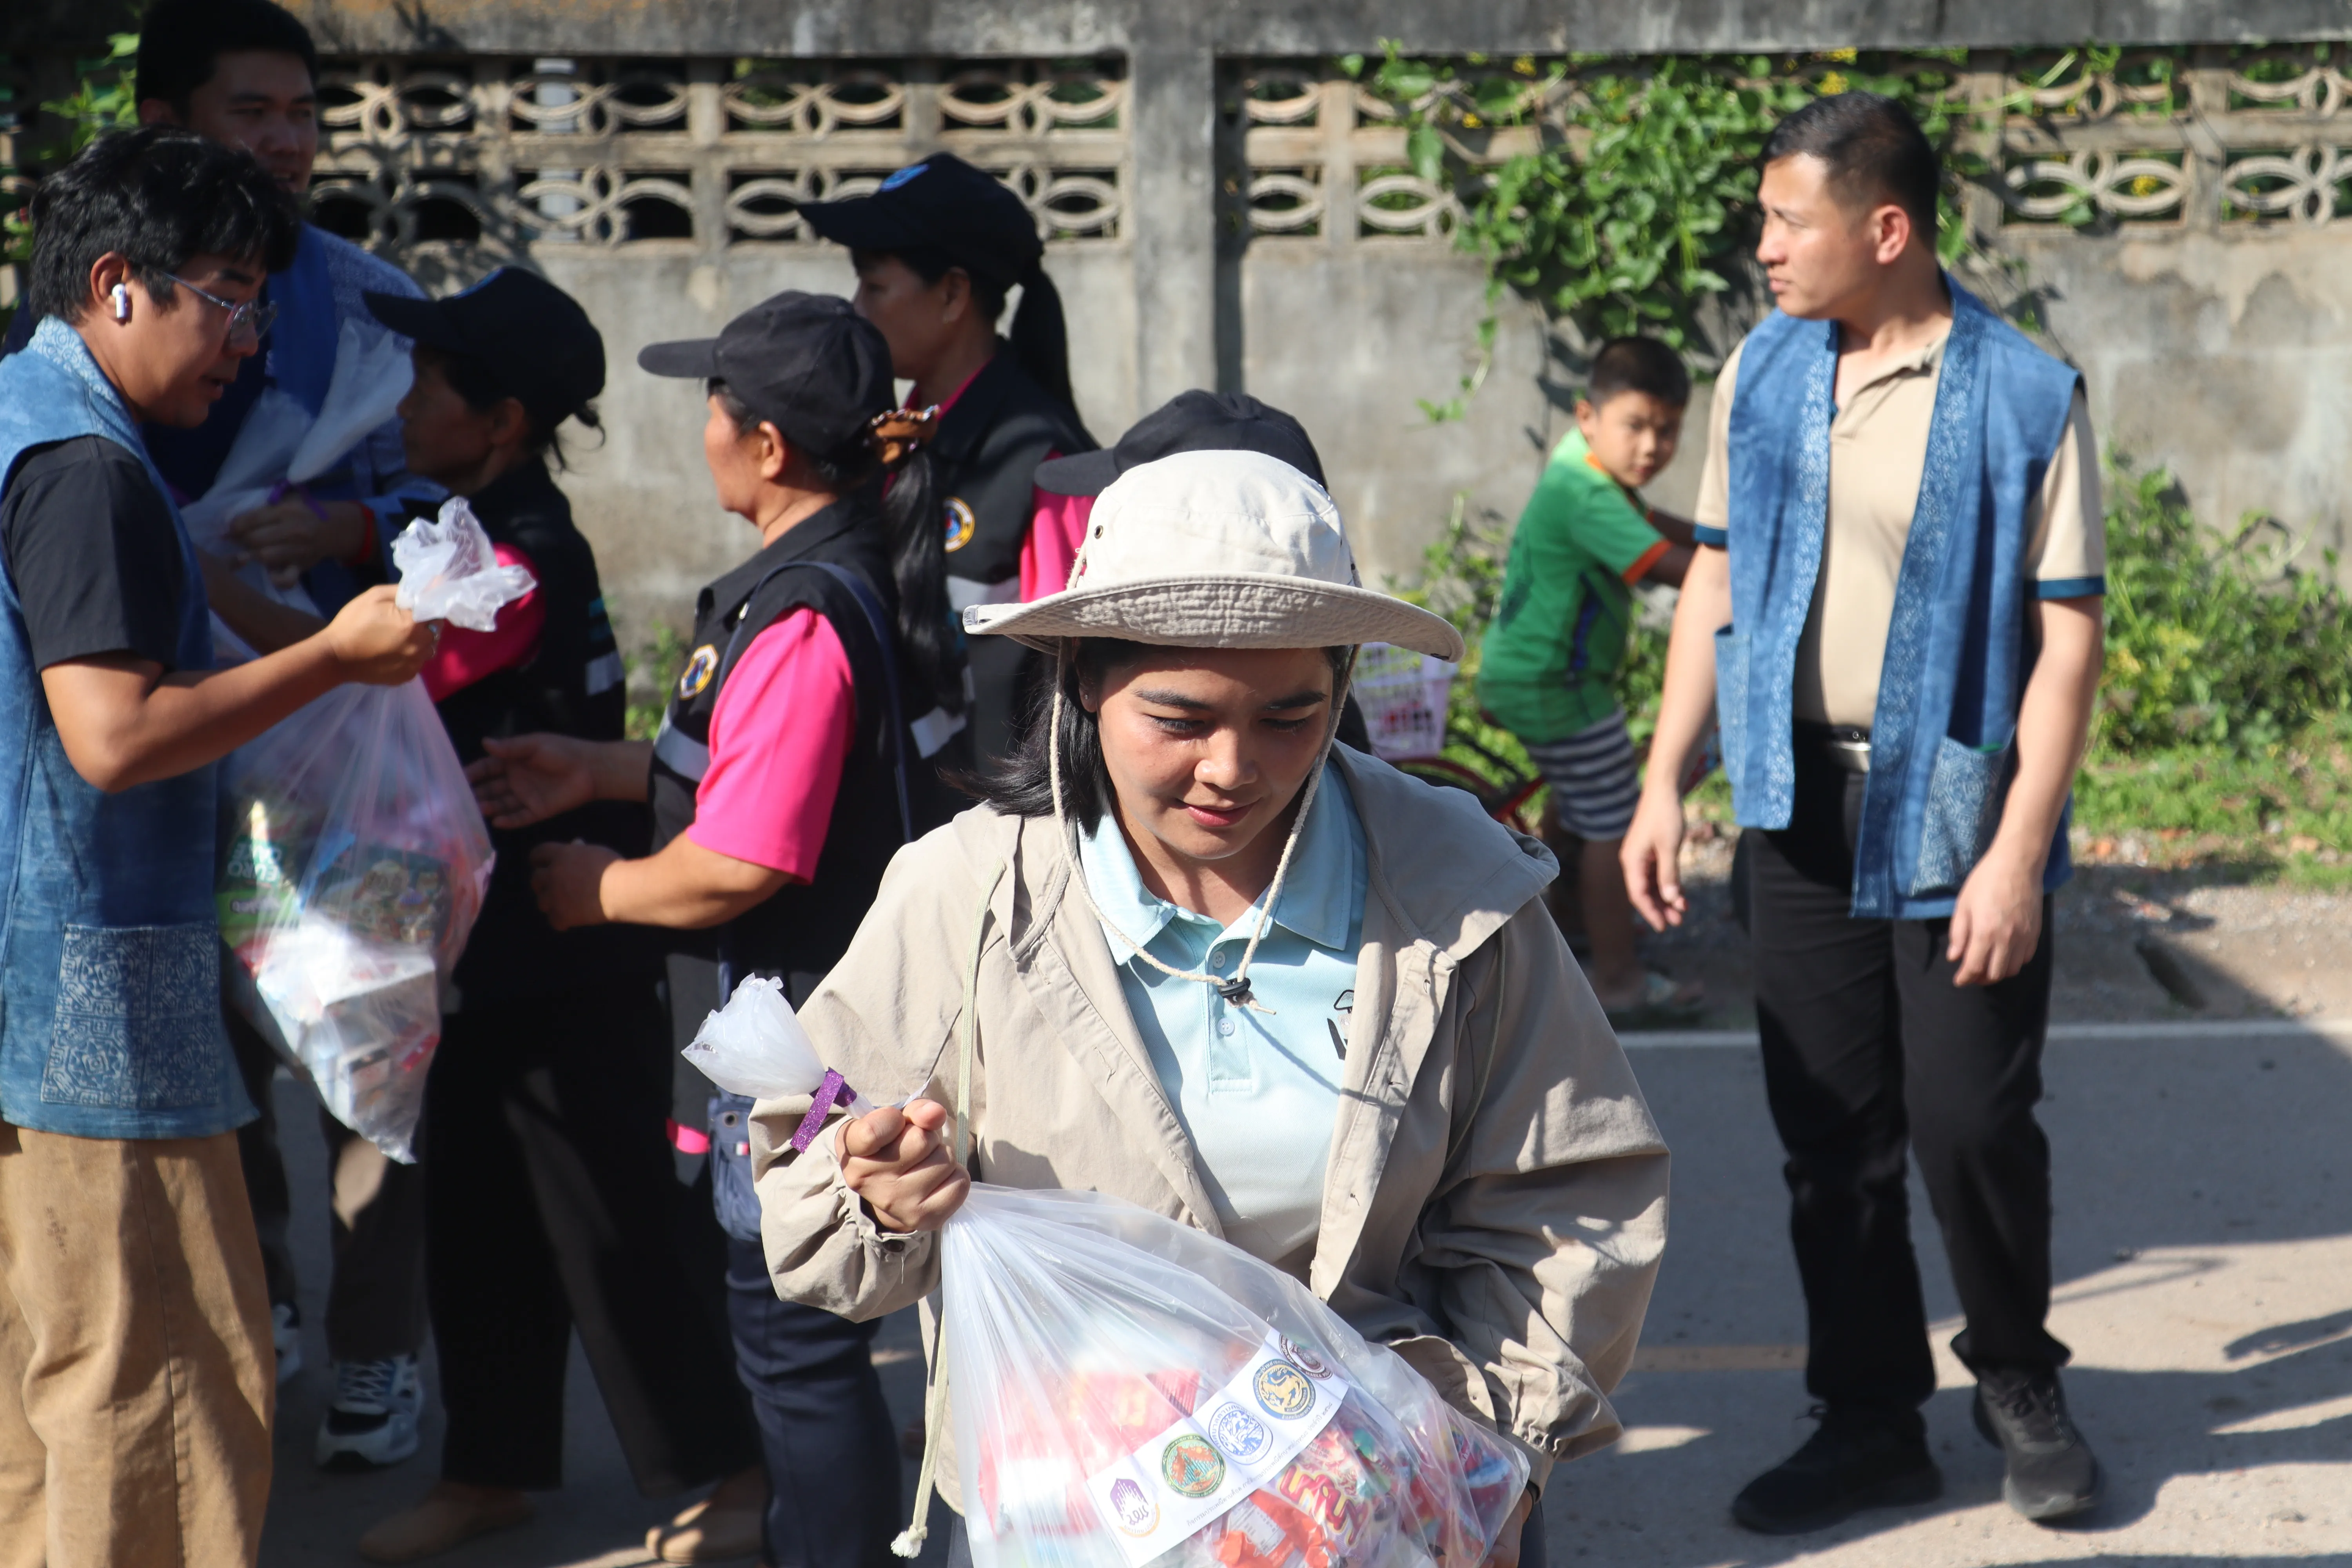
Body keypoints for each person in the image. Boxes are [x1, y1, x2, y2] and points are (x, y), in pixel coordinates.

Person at [752, 448, 1673, 1568]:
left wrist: (1484, 1460)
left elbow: (1571, 1192)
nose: (1233, 769)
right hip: (1071, 1526)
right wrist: (872, 1189)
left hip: (1397, 1514)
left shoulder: (1456, 887)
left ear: (1342, 686)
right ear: (1084, 680)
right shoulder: (966, 896)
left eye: (1291, 717)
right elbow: (804, 1153)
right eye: (1181, 719)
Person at [1620, 93, 2108, 1532]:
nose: (1765, 247)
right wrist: (1663, 779)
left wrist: (2020, 853)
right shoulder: (1763, 370)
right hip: (1795, 805)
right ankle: (1871, 1416)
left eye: (1790, 221)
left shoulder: (2026, 392)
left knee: (1970, 1124)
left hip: (1956, 812)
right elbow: (1714, 580)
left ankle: (2018, 1377)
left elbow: (2068, 639)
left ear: (1885, 229)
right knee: (1830, 1138)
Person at [2, 0, 450, 1464]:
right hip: (81, 984)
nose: (246, 344)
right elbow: (116, 738)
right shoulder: (86, 466)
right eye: (226, 303)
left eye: (262, 305)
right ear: (119, 284)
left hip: (72, 959)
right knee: (133, 1379)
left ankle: (354, 1351)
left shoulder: (39, 411)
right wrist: (331, 654)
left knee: (65, 1372)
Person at [258, 267, 759, 1563]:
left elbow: (389, 664)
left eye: (430, 385)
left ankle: (729, 1471)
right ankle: (490, 1469)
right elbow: (387, 542)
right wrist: (331, 533)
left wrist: (214, 593)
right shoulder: (472, 522)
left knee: (612, 1223)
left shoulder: (522, 558)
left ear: (501, 421)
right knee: (480, 1212)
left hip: (564, 939)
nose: (404, 405)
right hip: (481, 941)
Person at [464, 290, 962, 1568]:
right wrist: (598, 767)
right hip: (835, 1025)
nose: (703, 432)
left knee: (795, 1351)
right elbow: (778, 778)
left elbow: (745, 857)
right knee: (804, 1338)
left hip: (800, 1047)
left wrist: (600, 889)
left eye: (712, 407)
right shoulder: (845, 574)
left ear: (767, 445)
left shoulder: (800, 613)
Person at [799, 151, 1098, 765]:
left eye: (875, 286)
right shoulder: (897, 434)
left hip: (989, 806)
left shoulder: (1042, 464)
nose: (857, 308)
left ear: (953, 294)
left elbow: (1072, 682)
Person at [1475, 337, 1701, 1021]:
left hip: (1530, 675)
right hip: (1559, 687)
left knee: (1581, 804)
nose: (1651, 447)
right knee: (1617, 825)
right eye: (1636, 426)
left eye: (1668, 430)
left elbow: (1654, 522)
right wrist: (1751, 567)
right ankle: (1619, 978)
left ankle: (1570, 927)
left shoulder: (1581, 462)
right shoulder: (1587, 495)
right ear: (1588, 416)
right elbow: (1677, 568)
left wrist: (1722, 538)